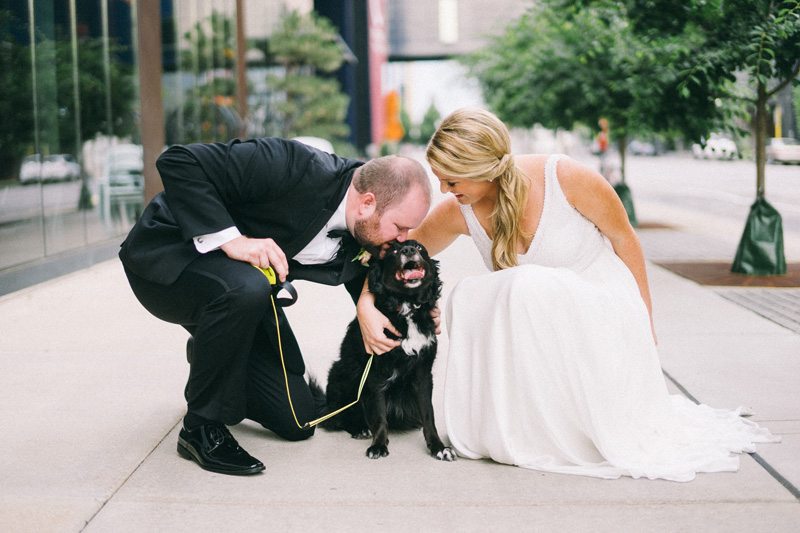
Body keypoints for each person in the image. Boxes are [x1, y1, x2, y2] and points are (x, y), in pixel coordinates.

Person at [358, 107, 778, 481]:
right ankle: (518, 426)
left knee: (525, 283)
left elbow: (625, 241)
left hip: (602, 306)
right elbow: (391, 257)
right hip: (546, 330)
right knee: (470, 293)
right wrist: (366, 303)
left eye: (452, 179)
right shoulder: (459, 209)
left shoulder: (566, 178)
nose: (446, 191)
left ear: (484, 168)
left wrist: (643, 317)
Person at [120, 137, 431, 476]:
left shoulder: (368, 229)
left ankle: (213, 352)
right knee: (250, 285)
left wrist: (400, 310)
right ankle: (200, 427)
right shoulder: (293, 166)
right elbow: (178, 160)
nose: (403, 238)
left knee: (298, 420)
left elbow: (377, 288)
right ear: (367, 203)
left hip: (240, 299)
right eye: (401, 227)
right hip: (168, 260)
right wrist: (234, 241)